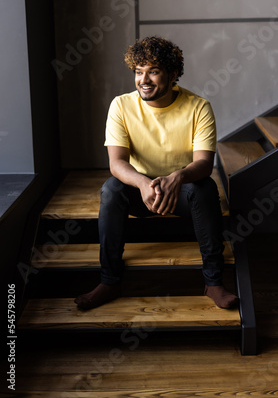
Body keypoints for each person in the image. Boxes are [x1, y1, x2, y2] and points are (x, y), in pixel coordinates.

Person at [75, 36, 238, 310]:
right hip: (141, 193)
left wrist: (177, 178)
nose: (144, 79)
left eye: (153, 71)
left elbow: (204, 164)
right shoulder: (121, 106)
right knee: (111, 189)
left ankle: (213, 282)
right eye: (139, 72)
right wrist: (142, 183)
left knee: (206, 188)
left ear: (172, 74)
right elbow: (116, 163)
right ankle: (109, 280)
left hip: (183, 193)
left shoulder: (198, 107)